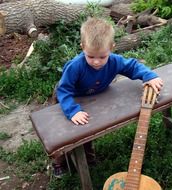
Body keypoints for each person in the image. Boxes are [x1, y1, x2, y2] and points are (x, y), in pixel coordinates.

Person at [53, 17, 163, 177]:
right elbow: (64, 90)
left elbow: (132, 66)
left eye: (102, 57)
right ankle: (59, 161)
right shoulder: (75, 66)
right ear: (82, 47)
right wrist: (72, 111)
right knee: (64, 133)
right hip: (69, 98)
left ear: (112, 47)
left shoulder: (114, 61)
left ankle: (88, 159)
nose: (96, 62)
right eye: (90, 56)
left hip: (93, 97)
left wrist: (149, 76)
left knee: (87, 129)